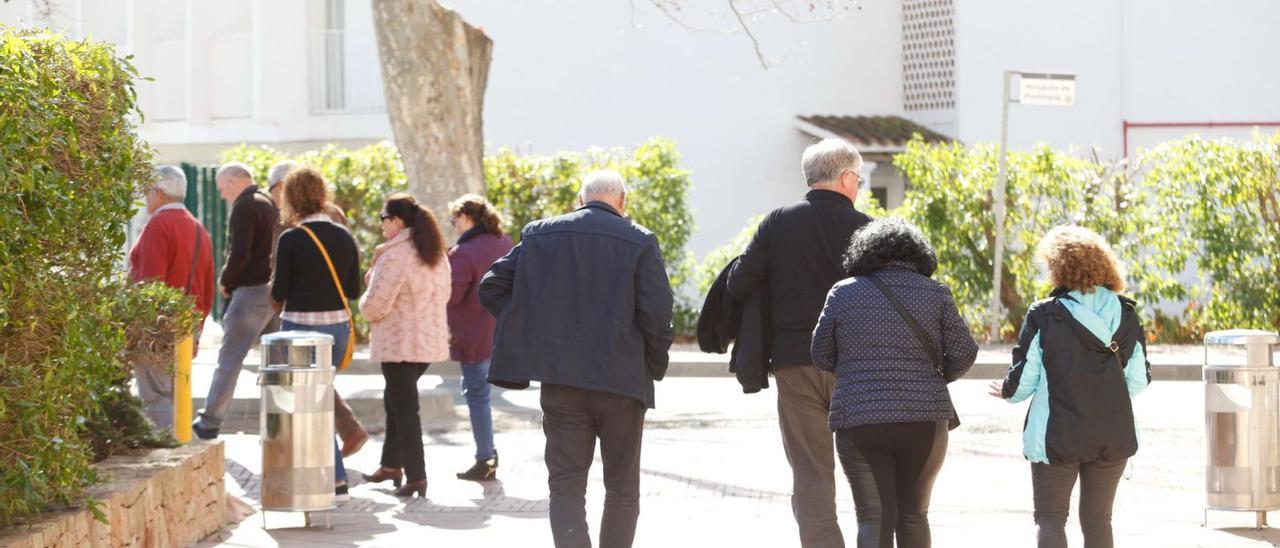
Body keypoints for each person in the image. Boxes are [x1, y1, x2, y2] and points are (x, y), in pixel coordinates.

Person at [480, 170, 675, 548]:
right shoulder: (639, 240)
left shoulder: (541, 234)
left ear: (580, 199)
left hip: (561, 379)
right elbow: (657, 314)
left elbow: (492, 286)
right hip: (622, 381)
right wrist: (652, 363)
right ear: (623, 201)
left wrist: (530, 329)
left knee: (566, 485)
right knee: (622, 486)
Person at [726, 138, 876, 547]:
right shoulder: (866, 228)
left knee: (811, 474)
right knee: (867, 469)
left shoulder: (777, 222)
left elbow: (740, 283)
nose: (858, 186)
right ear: (846, 178)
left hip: (796, 361)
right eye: (859, 179)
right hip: (856, 366)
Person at [811, 218, 977, 548]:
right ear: (918, 255)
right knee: (914, 515)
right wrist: (933, 376)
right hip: (925, 421)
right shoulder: (936, 293)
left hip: (860, 418)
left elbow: (820, 354)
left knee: (873, 516)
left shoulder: (843, 293)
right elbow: (965, 352)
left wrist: (855, 370)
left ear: (865, 254)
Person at [989, 225, 1151, 548]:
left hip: (1057, 436)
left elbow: (1024, 380)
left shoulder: (1045, 314)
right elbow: (1138, 379)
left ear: (1057, 267)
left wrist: (1006, 391)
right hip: (1112, 433)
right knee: (1098, 521)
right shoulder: (1127, 313)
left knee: (1050, 518)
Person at [270, 167, 362, 501]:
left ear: (291, 198)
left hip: (299, 329)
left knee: (309, 405)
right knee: (320, 400)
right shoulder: (343, 236)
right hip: (337, 328)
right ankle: (329, 478)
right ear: (323, 195)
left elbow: (279, 290)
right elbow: (353, 289)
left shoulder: (291, 239)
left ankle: (334, 480)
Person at [358, 193, 451, 498]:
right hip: (426, 340)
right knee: (396, 401)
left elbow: (374, 306)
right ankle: (391, 465)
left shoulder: (395, 255)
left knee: (404, 407)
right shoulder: (434, 252)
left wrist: (365, 291)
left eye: (384, 218)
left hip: (399, 343)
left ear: (397, 221)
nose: (382, 224)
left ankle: (416, 475)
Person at [193, 162, 278, 440]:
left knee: (229, 360)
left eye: (221, 189)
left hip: (249, 292)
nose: (221, 196)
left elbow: (239, 253)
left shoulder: (245, 205)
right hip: (271, 292)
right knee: (276, 363)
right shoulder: (268, 202)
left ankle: (209, 422)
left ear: (233, 182)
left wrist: (225, 279)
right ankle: (280, 422)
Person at [128, 165, 215, 431]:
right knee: (178, 395)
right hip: (186, 325)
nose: (145, 197)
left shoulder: (158, 225)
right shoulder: (197, 226)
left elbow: (149, 282)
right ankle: (180, 448)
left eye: (147, 191)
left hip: (158, 326)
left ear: (158, 192)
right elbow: (208, 284)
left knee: (156, 397)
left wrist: (138, 328)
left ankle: (167, 454)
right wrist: (197, 331)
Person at [445, 194, 514, 481]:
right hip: (501, 330)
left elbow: (452, 295)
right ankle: (486, 456)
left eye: (454, 220)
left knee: (476, 395)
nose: (453, 226)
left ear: (466, 217)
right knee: (481, 394)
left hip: (473, 333)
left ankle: (485, 457)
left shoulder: (463, 253)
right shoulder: (504, 242)